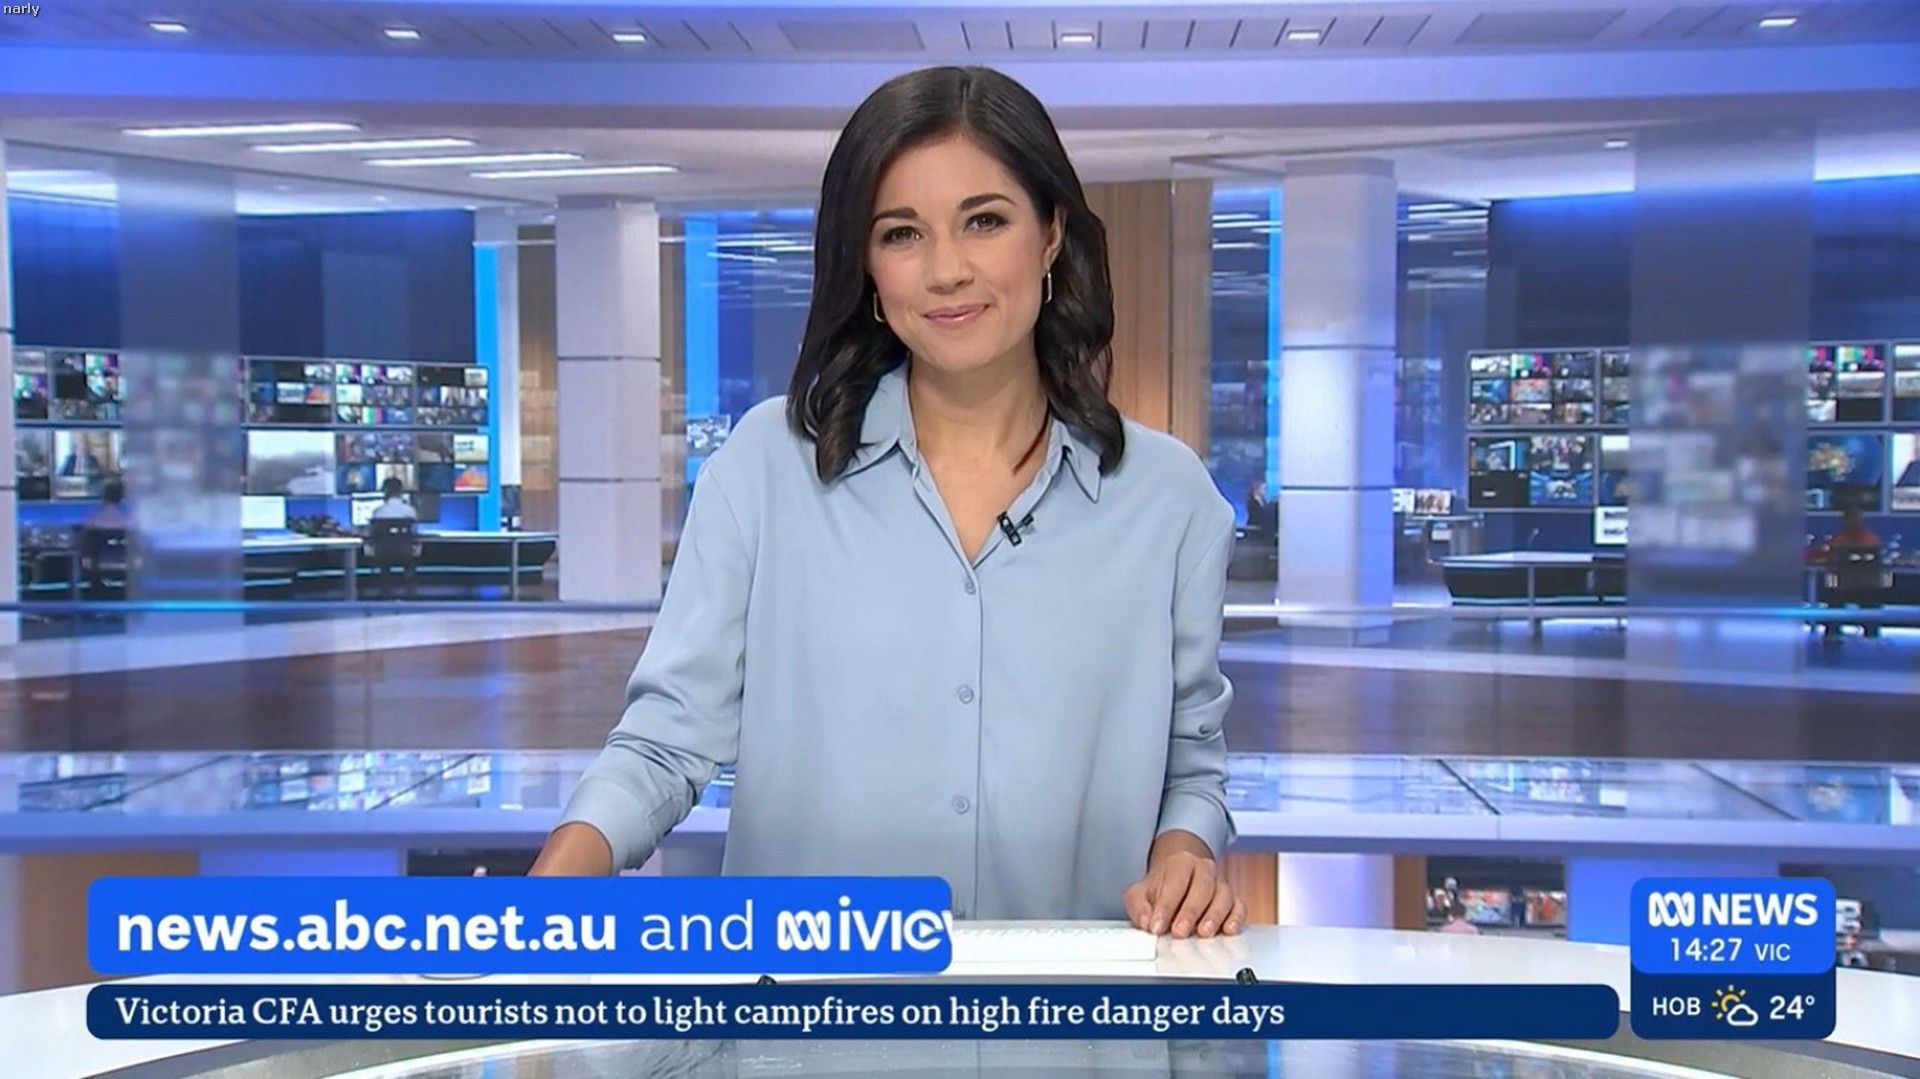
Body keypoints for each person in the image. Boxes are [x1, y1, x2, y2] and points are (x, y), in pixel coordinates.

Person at [534, 66, 1242, 938]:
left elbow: (1190, 767)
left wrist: (1185, 855)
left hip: (1064, 1008)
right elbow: (665, 740)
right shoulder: (766, 469)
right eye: (902, 234)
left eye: (985, 221)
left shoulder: (1169, 501)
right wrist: (546, 892)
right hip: (809, 1005)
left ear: (1052, 233)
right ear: (866, 265)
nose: (947, 271)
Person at [1822, 503, 1884, 639]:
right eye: (1851, 518)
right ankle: (1832, 636)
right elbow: (1830, 564)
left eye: (1856, 518)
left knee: (1871, 601)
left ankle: (1872, 635)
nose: (1854, 521)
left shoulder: (1871, 540)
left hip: (1866, 588)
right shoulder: (1838, 541)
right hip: (1845, 587)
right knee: (1833, 600)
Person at [366, 476, 419, 599]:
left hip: (383, 555)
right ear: (401, 492)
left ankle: (384, 592)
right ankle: (410, 592)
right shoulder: (410, 511)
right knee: (410, 559)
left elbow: (372, 536)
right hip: (405, 553)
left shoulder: (378, 512)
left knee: (383, 560)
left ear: (385, 492)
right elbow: (414, 534)